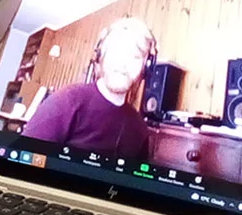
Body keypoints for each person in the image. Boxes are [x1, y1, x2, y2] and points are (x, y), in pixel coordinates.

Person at [20, 18, 156, 163]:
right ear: (100, 56)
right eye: (117, 53)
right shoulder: (66, 101)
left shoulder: (140, 130)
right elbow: (22, 161)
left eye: (135, 57)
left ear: (145, 67)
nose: (124, 64)